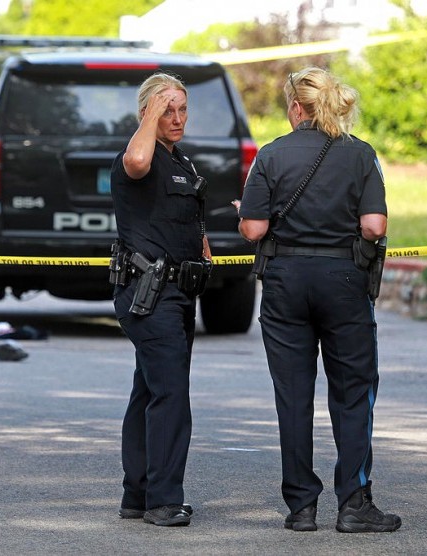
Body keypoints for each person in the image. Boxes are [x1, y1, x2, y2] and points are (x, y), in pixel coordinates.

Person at [234, 67, 401, 533]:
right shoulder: (360, 154)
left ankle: (302, 506)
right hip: (343, 281)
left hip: (286, 282)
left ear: (294, 107)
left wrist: (247, 213)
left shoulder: (270, 155)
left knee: (293, 396)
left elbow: (254, 229)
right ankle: (354, 503)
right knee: (353, 392)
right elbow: (374, 227)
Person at [109, 72, 211, 527]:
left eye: (182, 109)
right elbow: (135, 159)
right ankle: (164, 500)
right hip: (148, 294)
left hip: (178, 293)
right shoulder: (138, 157)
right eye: (165, 109)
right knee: (171, 394)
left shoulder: (181, 162)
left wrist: (204, 250)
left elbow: (188, 219)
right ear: (146, 113)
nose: (176, 117)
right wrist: (148, 120)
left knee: (148, 390)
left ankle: (138, 495)